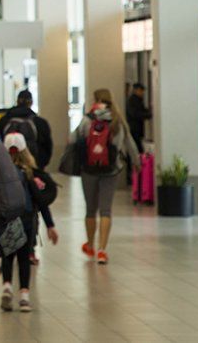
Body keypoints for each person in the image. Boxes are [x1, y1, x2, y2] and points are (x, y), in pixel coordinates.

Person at [74, 89, 139, 265]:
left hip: (89, 170)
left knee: (90, 209)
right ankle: (102, 250)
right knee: (106, 210)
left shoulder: (88, 119)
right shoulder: (117, 120)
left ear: (95, 100)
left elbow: (74, 139)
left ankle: (90, 244)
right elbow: (130, 143)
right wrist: (137, 162)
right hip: (111, 169)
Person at [0, 133, 58, 313]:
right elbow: (40, 201)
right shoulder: (29, 172)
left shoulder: (0, 171)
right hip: (26, 220)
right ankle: (24, 296)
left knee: (7, 256)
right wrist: (50, 225)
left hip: (7, 220)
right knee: (24, 258)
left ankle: (7, 286)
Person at [0, 90, 54, 169]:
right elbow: (47, 146)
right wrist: (40, 165)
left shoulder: (4, 120)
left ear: (17, 101)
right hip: (34, 165)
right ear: (31, 102)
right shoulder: (40, 122)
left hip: (9, 166)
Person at [126, 83, 151, 153]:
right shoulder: (132, 101)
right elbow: (136, 114)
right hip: (134, 128)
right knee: (137, 148)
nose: (142, 93)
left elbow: (141, 111)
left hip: (136, 128)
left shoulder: (138, 100)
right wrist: (148, 114)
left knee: (137, 147)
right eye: (141, 91)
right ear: (135, 90)